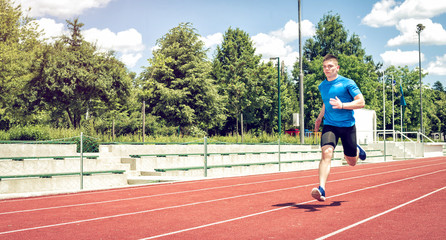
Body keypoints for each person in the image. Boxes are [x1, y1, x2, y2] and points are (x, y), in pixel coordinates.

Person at [311, 54, 367, 202]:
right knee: (326, 153)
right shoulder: (322, 86)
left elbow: (361, 102)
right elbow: (326, 102)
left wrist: (342, 105)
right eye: (324, 67)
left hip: (347, 126)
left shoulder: (347, 83)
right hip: (330, 125)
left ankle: (355, 150)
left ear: (337, 67)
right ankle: (321, 189)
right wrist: (319, 117)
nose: (326, 69)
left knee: (351, 162)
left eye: (330, 66)